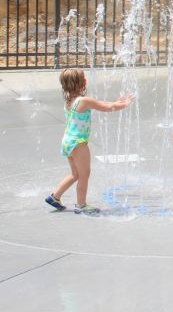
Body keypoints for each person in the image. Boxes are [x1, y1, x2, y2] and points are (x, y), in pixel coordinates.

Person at [45, 69, 134, 215]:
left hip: (68, 141)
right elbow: (108, 107)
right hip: (79, 144)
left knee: (75, 174)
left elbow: (105, 104)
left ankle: (55, 196)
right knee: (84, 174)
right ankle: (81, 204)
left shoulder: (70, 101)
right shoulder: (84, 100)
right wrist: (126, 103)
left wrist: (116, 102)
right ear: (83, 83)